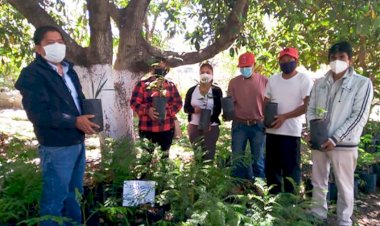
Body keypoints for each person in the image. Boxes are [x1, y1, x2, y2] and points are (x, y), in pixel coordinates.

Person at [15, 26, 99, 225]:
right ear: (38, 49)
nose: (57, 46)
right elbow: (39, 113)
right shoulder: (32, 75)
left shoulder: (70, 71)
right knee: (54, 200)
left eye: (60, 42)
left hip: (77, 141)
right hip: (56, 145)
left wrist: (88, 116)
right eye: (50, 43)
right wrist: (74, 121)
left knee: (74, 195)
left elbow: (76, 100)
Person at [307, 41, 373, 226]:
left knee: (344, 186)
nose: (337, 61)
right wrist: (312, 131)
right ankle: (318, 215)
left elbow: (359, 116)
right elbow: (311, 109)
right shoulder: (320, 83)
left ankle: (343, 221)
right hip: (319, 141)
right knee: (318, 182)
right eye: (333, 58)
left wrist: (336, 138)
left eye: (342, 57)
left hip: (343, 144)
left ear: (350, 60)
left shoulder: (362, 83)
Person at [264, 47, 313, 194]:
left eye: (289, 60)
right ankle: (273, 202)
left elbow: (307, 105)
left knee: (291, 170)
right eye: (282, 60)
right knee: (272, 169)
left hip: (291, 132)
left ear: (296, 61)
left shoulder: (303, 79)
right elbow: (265, 100)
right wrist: (266, 116)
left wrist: (285, 116)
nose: (285, 63)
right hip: (272, 130)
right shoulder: (273, 79)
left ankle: (291, 203)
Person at [228, 52, 267, 181]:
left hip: (258, 125)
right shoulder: (233, 83)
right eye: (242, 66)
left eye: (247, 66)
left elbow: (269, 103)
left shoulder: (264, 81)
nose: (244, 69)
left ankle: (260, 189)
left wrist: (268, 122)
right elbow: (230, 104)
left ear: (254, 65)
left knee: (258, 159)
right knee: (237, 158)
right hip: (239, 125)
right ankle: (236, 187)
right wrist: (227, 112)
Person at [130, 58, 182, 155]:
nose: (160, 69)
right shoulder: (142, 85)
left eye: (163, 67)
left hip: (166, 129)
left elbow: (178, 103)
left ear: (167, 69)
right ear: (152, 68)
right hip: (147, 129)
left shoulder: (170, 85)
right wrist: (147, 110)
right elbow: (134, 103)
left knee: (164, 159)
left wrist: (168, 111)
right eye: (157, 66)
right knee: (146, 160)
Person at [184, 62, 222, 160]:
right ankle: (198, 174)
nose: (205, 74)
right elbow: (186, 108)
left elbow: (218, 109)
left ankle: (209, 174)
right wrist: (194, 110)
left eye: (208, 72)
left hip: (211, 127)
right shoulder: (192, 90)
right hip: (194, 127)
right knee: (198, 155)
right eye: (202, 72)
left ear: (212, 74)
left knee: (209, 155)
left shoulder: (216, 90)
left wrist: (210, 121)